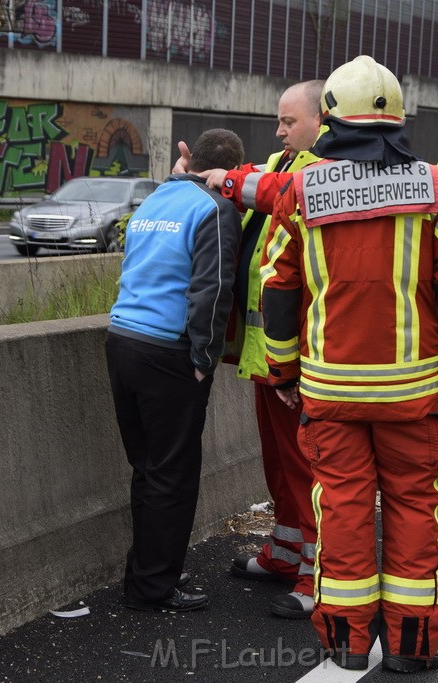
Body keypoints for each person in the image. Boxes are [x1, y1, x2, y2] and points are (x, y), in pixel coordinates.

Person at [210, 56, 438, 672]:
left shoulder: (305, 191)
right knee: (416, 509)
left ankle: (344, 643)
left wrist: (282, 374)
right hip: (414, 396)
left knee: (340, 509)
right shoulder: (433, 188)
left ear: (331, 116)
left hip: (329, 393)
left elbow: (277, 287)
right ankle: (414, 648)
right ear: (397, 116)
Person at [173, 81, 325, 620]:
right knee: (280, 460)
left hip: (303, 356)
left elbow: (273, 189)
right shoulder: (283, 161)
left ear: (321, 118)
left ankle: (318, 574)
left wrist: (232, 178)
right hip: (268, 353)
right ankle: (285, 551)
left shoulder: (322, 167)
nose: (279, 130)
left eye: (288, 121)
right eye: (279, 122)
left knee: (310, 468)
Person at [105, 128, 244, 613]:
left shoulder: (157, 199)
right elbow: (213, 289)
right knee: (173, 475)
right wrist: (204, 359)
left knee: (147, 469)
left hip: (122, 339)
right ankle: (153, 587)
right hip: (168, 351)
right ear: (227, 171)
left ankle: (149, 569)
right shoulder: (216, 210)